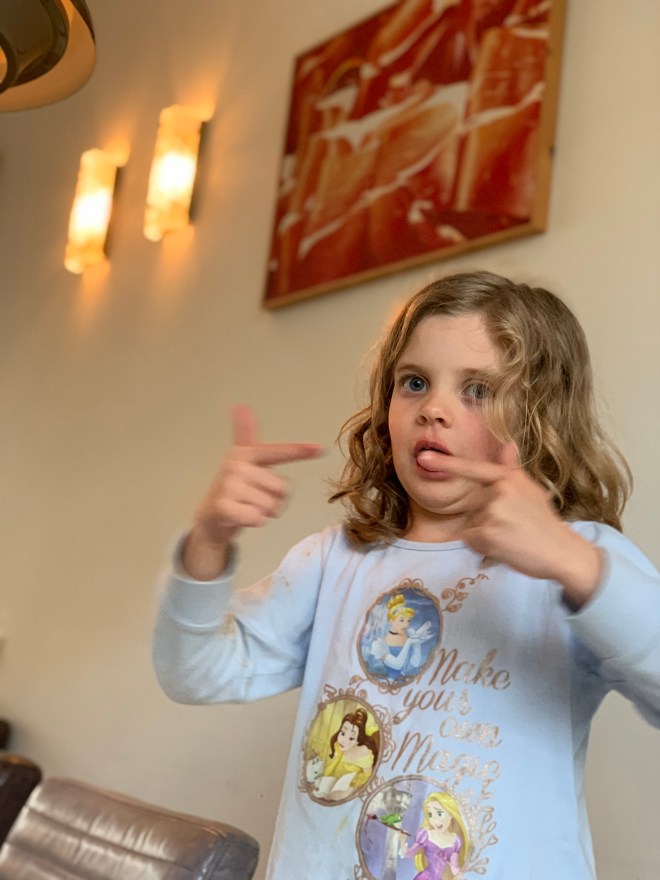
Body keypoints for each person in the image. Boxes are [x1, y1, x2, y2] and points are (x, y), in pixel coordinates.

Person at [153, 271, 660, 880]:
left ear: (538, 417)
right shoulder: (336, 561)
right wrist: (208, 541)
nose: (433, 410)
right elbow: (194, 671)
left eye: (478, 389)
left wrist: (574, 564)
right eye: (414, 382)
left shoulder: (577, 561)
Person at [398, 790, 469, 879]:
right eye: (430, 815)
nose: (435, 820)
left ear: (450, 814)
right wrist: (402, 840)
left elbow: (454, 867)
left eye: (439, 813)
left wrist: (460, 875)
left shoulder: (456, 841)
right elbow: (408, 854)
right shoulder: (425, 834)